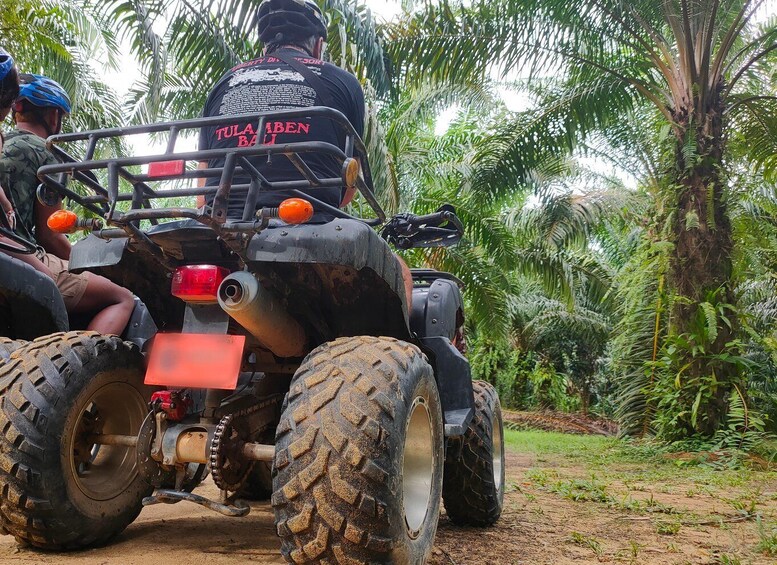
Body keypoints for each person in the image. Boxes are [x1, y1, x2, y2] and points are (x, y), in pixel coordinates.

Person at [198, 0, 413, 302]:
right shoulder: (343, 82)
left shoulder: (225, 82)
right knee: (401, 272)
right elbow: (347, 191)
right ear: (318, 45)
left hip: (220, 225)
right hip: (308, 220)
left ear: (265, 44)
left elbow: (203, 182)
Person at [0, 73, 135, 335]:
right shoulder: (47, 153)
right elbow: (50, 234)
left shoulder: (4, 141)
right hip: (18, 252)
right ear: (53, 116)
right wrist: (89, 266)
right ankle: (78, 362)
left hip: (9, 249)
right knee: (122, 298)